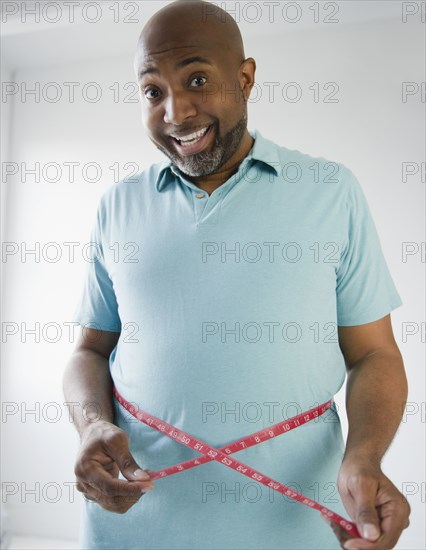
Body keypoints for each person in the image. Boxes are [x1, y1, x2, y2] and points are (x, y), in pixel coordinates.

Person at [63, 1, 411, 548]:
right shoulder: (118, 205)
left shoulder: (330, 191)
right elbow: (89, 351)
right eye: (153, 91)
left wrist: (364, 457)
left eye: (197, 79)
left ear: (245, 79)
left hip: (289, 518)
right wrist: (91, 427)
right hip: (132, 517)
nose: (175, 113)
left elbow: (375, 354)